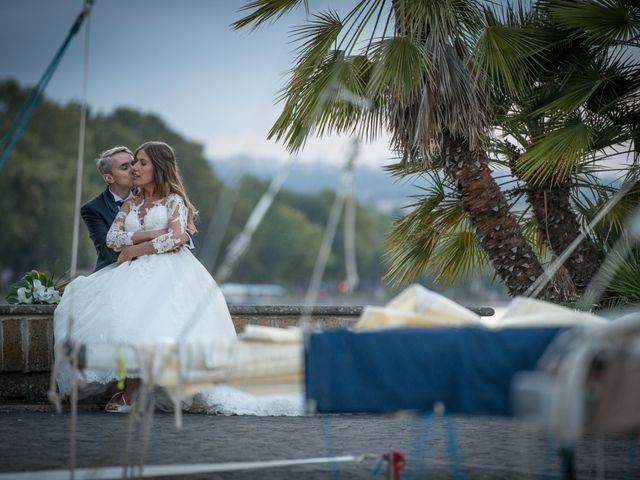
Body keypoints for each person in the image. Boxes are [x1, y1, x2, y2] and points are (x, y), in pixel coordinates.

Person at [54, 141, 237, 412]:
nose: (135, 169)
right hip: (130, 272)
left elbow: (176, 238)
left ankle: (131, 392)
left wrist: (136, 249)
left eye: (141, 163)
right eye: (133, 163)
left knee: (150, 322)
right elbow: (113, 238)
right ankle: (128, 389)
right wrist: (151, 234)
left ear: (158, 168)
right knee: (116, 318)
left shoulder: (174, 200)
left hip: (168, 271)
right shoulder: (132, 201)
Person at [81, 146, 134, 271]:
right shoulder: (93, 209)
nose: (133, 170)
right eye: (125, 167)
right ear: (109, 178)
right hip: (113, 272)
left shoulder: (150, 195)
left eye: (134, 163)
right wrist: (151, 247)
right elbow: (109, 251)